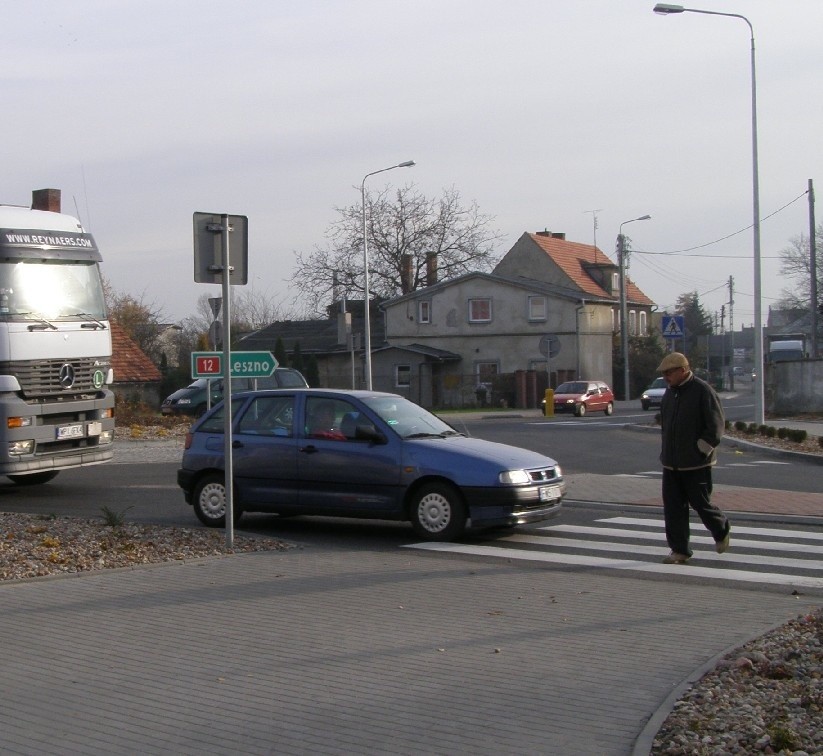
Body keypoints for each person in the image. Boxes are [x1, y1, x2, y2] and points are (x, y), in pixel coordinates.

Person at [657, 352, 730, 565]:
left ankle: (721, 527)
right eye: (664, 373)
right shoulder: (670, 394)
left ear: (683, 370)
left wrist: (701, 449)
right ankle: (679, 550)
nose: (665, 377)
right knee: (673, 508)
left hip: (696, 463)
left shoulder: (702, 391)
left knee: (701, 503)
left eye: (669, 372)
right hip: (671, 463)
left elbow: (715, 426)